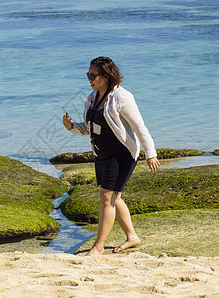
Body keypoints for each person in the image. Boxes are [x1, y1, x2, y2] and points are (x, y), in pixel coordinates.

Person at [62, 56, 160, 256]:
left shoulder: (122, 97)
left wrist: (150, 153)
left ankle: (98, 246)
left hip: (122, 154)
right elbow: (88, 128)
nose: (89, 78)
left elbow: (139, 127)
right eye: (88, 74)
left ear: (106, 76)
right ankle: (132, 237)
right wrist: (71, 127)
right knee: (115, 198)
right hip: (102, 154)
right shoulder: (92, 98)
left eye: (93, 75)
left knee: (106, 199)